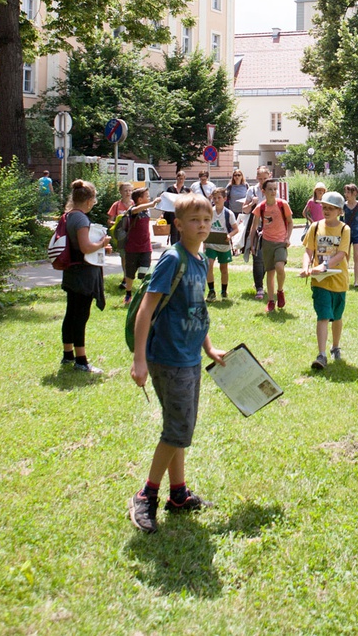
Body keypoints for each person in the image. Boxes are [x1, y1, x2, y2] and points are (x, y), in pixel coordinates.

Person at [128, 193, 227, 534]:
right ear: (179, 224)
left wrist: (209, 348)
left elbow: (197, 309)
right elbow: (146, 310)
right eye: (194, 220)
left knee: (178, 426)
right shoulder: (173, 258)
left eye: (206, 220)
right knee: (179, 429)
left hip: (189, 356)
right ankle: (146, 495)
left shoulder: (200, 260)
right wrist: (139, 359)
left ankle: (179, 494)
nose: (202, 225)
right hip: (168, 357)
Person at [60, 179, 111, 374]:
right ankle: (81, 361)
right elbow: (86, 247)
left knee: (71, 313)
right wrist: (102, 243)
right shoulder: (81, 219)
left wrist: (99, 246)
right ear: (89, 200)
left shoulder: (68, 216)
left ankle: (68, 355)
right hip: (83, 273)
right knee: (81, 315)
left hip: (71, 271)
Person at [300, 191, 351, 370]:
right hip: (320, 281)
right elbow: (308, 251)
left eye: (331, 208)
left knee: (336, 316)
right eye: (324, 207)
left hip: (339, 280)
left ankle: (335, 346)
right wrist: (306, 266)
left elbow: (341, 254)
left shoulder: (345, 229)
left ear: (340, 211)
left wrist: (324, 265)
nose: (327, 211)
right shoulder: (315, 227)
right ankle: (321, 355)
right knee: (323, 315)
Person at [250, 178, 293, 313]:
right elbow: (254, 227)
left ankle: (280, 291)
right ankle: (270, 301)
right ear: (263, 191)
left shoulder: (283, 204)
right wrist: (252, 244)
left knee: (279, 266)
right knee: (270, 272)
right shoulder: (261, 207)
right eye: (270, 189)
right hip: (267, 242)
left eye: (275, 189)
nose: (273, 192)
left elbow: (290, 222)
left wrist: (287, 238)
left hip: (280, 242)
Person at [123, 187, 158, 306]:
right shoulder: (133, 210)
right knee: (130, 273)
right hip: (132, 248)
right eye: (147, 196)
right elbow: (136, 209)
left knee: (145, 273)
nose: (149, 198)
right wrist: (152, 204)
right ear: (139, 199)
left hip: (146, 248)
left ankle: (143, 295)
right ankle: (128, 294)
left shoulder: (147, 211)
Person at [242, 166, 271, 299]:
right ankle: (259, 287)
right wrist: (251, 203)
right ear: (256, 178)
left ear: (269, 176)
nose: (262, 181)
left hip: (271, 228)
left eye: (265, 178)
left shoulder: (273, 190)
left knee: (267, 259)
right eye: (260, 179)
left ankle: (259, 281)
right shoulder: (252, 190)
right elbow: (244, 210)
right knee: (257, 257)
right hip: (256, 227)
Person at [205, 188, 238, 300]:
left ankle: (224, 291)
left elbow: (236, 229)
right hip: (211, 244)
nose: (216, 200)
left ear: (225, 199)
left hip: (224, 245)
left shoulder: (229, 213)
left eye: (219, 198)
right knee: (209, 265)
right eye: (214, 198)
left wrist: (229, 236)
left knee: (223, 269)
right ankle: (211, 291)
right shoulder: (210, 212)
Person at [108, 182, 134, 289]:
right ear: (120, 192)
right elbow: (109, 221)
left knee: (132, 257)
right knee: (124, 256)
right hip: (122, 235)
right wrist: (118, 223)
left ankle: (129, 277)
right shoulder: (116, 205)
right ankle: (125, 278)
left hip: (133, 235)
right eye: (125, 191)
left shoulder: (135, 204)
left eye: (130, 190)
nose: (128, 193)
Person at [342, 183, 358, 289]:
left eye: (348, 192)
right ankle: (345, 279)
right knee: (345, 257)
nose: (346, 194)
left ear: (355, 193)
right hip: (346, 234)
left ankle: (356, 281)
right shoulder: (343, 206)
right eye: (345, 192)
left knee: (357, 256)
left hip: (357, 234)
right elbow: (341, 221)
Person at [163, 171, 190, 245]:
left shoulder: (186, 190)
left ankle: (181, 248)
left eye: (182, 178)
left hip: (182, 214)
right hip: (172, 214)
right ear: (176, 178)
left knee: (181, 232)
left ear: (184, 179)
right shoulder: (171, 189)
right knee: (173, 233)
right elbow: (166, 201)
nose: (181, 180)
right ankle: (174, 247)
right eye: (179, 178)